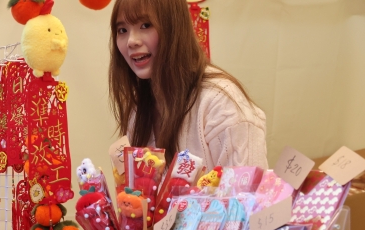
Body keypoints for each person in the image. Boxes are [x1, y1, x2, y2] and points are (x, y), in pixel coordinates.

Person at [109, 0, 267, 169]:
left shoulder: (220, 103)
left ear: (174, 27)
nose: (131, 41)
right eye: (122, 30)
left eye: (146, 25)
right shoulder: (138, 109)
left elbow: (249, 185)